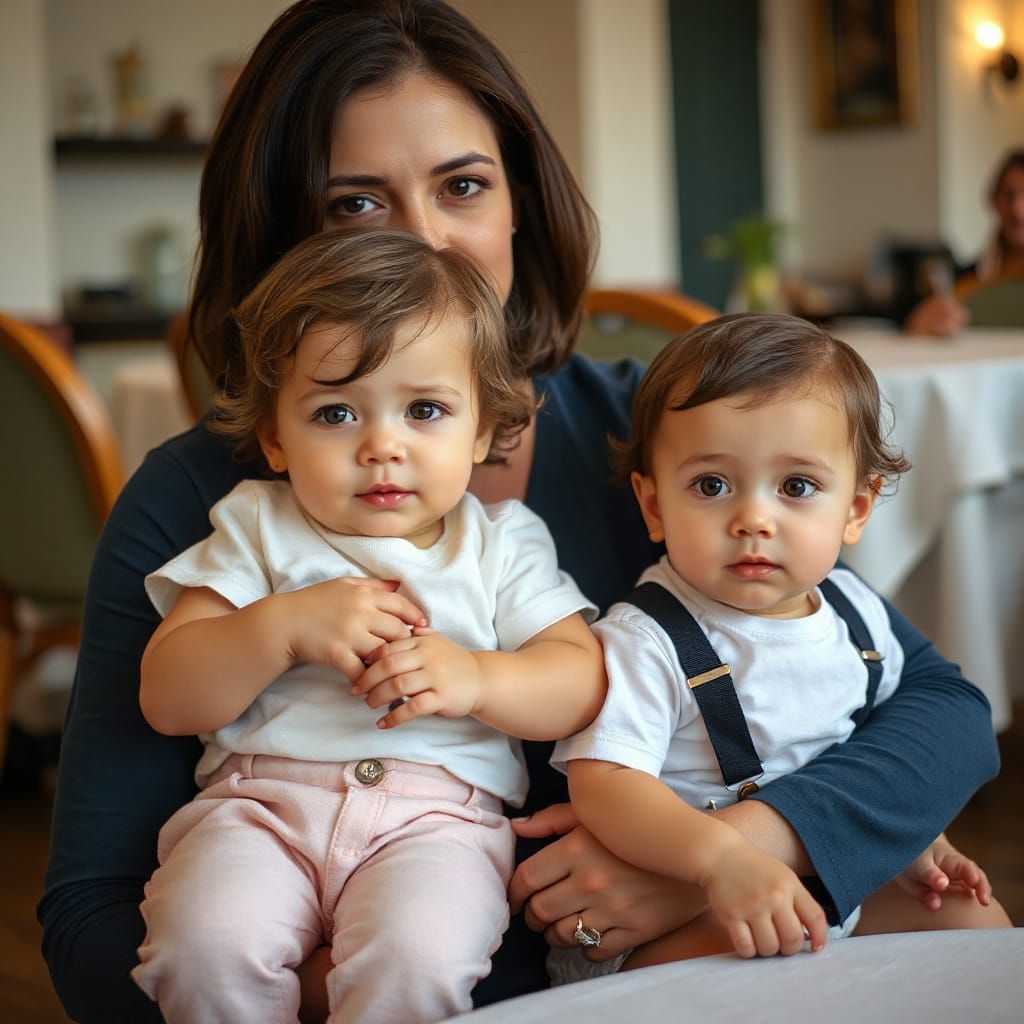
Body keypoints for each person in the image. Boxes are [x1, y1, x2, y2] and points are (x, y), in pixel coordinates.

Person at [39, 3, 1000, 1022]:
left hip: (663, 903)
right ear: (282, 239)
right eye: (355, 204)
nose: (426, 241)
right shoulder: (209, 501)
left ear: (519, 207)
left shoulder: (670, 446)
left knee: (965, 926)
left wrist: (719, 858)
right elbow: (91, 922)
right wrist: (375, 977)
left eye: (462, 186)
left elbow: (941, 714)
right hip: (408, 968)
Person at [129, 228, 605, 1024]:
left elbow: (581, 681)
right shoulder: (258, 526)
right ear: (275, 437)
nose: (383, 445)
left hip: (439, 825)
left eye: (425, 410)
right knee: (201, 947)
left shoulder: (499, 543)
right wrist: (278, 629)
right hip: (260, 811)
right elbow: (167, 697)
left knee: (418, 960)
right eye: (336, 412)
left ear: (481, 429)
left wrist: (478, 677)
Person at [550, 314, 1009, 982]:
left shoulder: (855, 611)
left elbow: (873, 732)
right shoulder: (646, 637)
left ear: (856, 509)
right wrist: (720, 859)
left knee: (974, 924)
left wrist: (918, 835)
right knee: (758, 962)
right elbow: (604, 785)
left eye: (796, 487)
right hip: (680, 910)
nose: (754, 520)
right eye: (711, 486)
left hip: (817, 873)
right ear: (653, 506)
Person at [905, 148, 1024, 335]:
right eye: (1009, 195)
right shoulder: (964, 284)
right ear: (994, 202)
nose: (1017, 208)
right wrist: (920, 324)